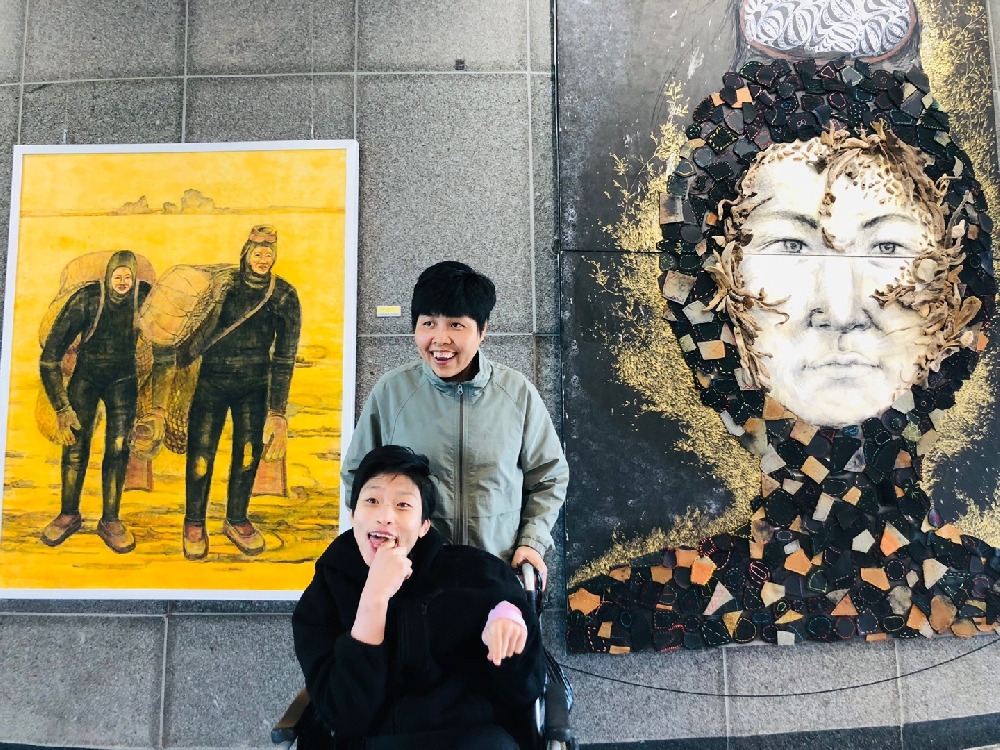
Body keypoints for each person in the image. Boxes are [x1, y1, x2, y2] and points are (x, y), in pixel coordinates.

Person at [294, 445, 545, 750]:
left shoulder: (476, 573)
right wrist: (374, 598)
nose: (385, 516)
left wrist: (509, 636)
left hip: (467, 738)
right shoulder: (325, 593)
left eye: (403, 505)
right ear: (353, 514)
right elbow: (346, 715)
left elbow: (523, 692)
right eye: (372, 501)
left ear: (424, 525)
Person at [341, 261, 569, 586]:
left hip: (495, 573)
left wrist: (532, 542)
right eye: (428, 323)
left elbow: (549, 477)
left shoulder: (516, 393)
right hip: (412, 579)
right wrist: (379, 543)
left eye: (456, 325)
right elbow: (357, 476)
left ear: (482, 329)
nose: (440, 338)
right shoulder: (392, 392)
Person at [142, 225, 301, 560]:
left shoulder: (284, 296)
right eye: (257, 252)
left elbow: (285, 358)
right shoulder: (223, 286)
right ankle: (194, 522)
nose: (262, 259)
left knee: (247, 455)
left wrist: (277, 412)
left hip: (254, 387)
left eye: (268, 253)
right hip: (211, 381)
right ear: (246, 253)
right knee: (201, 456)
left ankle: (236, 519)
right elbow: (191, 335)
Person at [39, 250, 152, 553]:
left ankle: (110, 520)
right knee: (76, 446)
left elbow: (170, 334)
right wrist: (62, 407)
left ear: (134, 278)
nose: (123, 282)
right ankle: (68, 514)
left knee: (118, 448)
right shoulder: (87, 300)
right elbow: (49, 358)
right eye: (118, 276)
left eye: (128, 277)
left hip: (123, 380)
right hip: (86, 378)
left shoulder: (145, 298)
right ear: (108, 276)